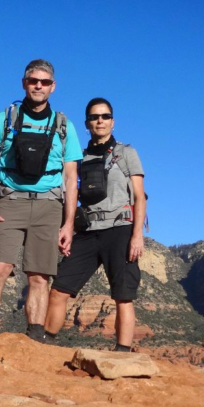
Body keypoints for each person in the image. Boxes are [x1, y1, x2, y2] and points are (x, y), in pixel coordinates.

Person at [0, 59, 82, 339]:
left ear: (53, 87)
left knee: (39, 276)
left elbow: (71, 178)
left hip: (49, 206)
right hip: (10, 202)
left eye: (44, 82)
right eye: (33, 81)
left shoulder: (64, 126)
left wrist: (69, 224)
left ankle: (35, 337)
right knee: (0, 266)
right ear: (24, 83)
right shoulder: (4, 119)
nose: (38, 86)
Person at [43, 97, 146, 351]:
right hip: (88, 231)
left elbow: (140, 196)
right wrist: (67, 227)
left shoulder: (127, 153)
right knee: (59, 289)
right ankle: (43, 345)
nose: (100, 121)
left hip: (120, 230)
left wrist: (137, 236)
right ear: (87, 123)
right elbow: (71, 193)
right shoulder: (79, 157)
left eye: (105, 116)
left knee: (123, 296)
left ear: (112, 121)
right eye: (94, 117)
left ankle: (122, 353)